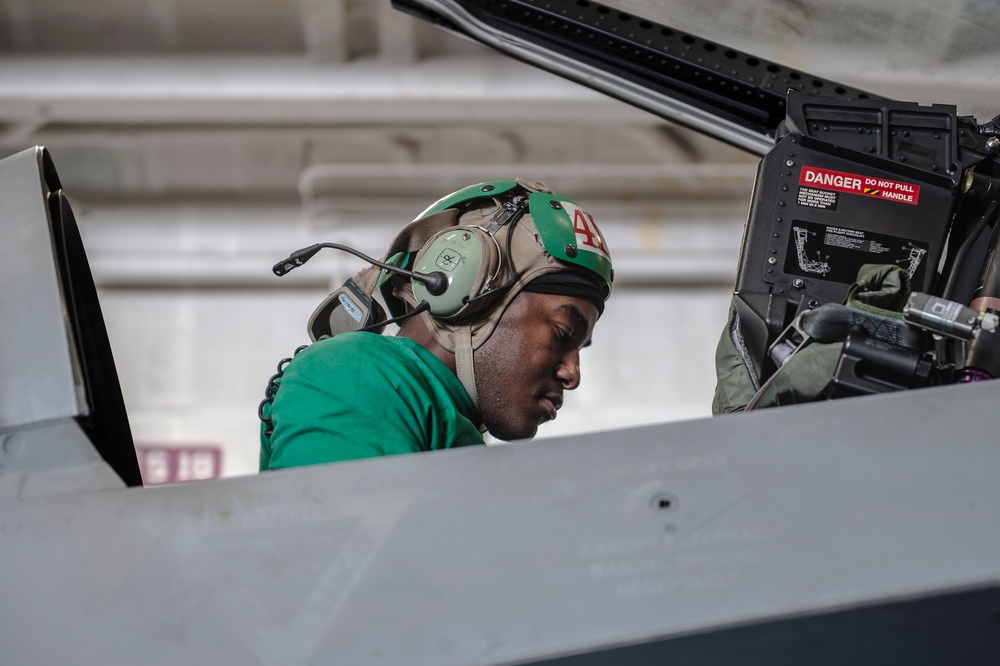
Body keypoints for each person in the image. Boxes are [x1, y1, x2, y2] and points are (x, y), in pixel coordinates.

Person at [259, 178, 614, 470]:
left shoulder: (441, 424)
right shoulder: (354, 373)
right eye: (563, 333)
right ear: (465, 285)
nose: (573, 375)